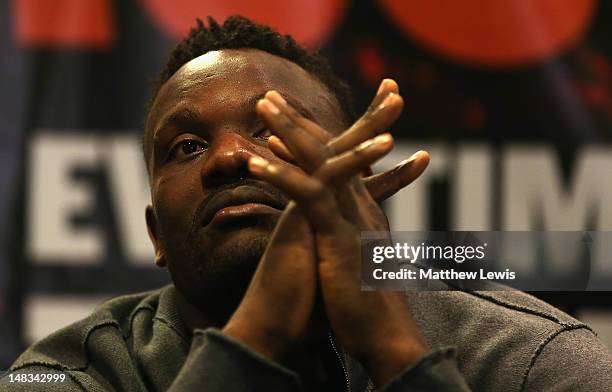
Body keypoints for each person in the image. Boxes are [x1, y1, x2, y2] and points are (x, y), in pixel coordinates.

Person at [4, 16, 612, 391]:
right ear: (155, 233)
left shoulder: (527, 358)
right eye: (187, 146)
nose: (230, 158)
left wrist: (397, 354)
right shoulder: (75, 371)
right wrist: (260, 333)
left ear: (365, 195)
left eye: (277, 128)